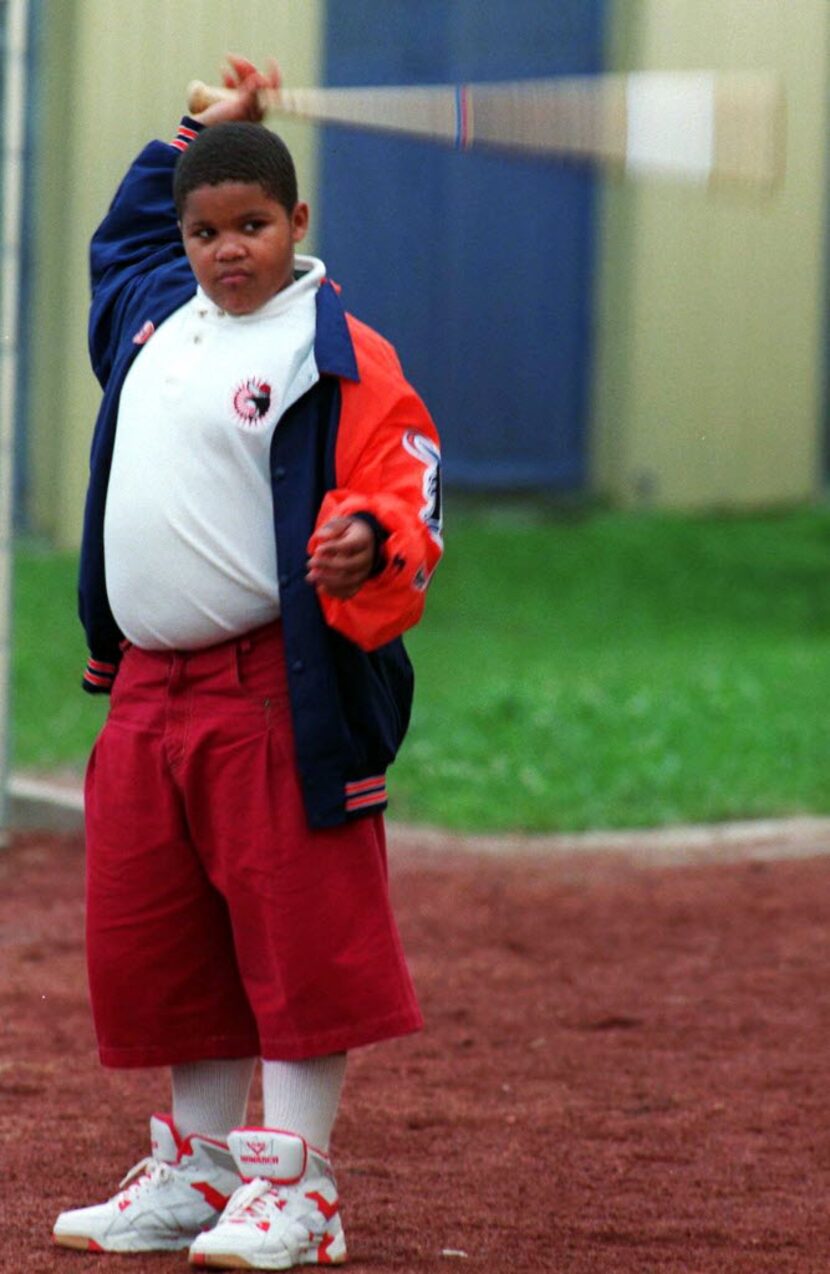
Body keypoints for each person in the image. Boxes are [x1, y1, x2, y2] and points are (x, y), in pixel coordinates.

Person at [52, 55, 442, 1270]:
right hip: (149, 698)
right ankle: (198, 1169)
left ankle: (299, 1188)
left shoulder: (340, 349)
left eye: (254, 226)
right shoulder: (149, 315)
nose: (229, 250)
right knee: (161, 941)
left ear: (298, 224)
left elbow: (408, 482)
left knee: (297, 939)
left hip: (276, 692)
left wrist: (367, 541)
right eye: (208, 229)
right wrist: (194, 130)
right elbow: (122, 238)